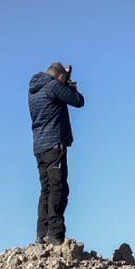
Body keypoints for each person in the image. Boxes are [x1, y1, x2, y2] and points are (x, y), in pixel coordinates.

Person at [28, 62, 85, 245]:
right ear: (60, 76)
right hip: (54, 145)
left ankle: (41, 234)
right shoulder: (53, 86)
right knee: (58, 188)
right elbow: (78, 101)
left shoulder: (33, 91)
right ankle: (55, 235)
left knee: (46, 189)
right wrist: (70, 86)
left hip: (39, 147)